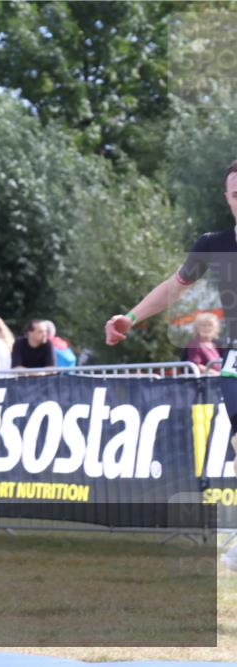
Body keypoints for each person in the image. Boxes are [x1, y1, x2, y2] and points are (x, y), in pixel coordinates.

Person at [106, 160, 237, 571]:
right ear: (227, 198)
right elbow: (174, 287)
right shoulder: (213, 244)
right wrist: (131, 316)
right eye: (236, 193)